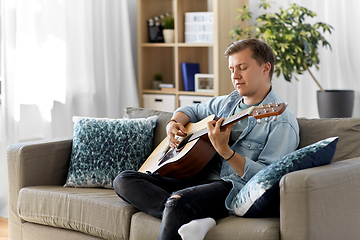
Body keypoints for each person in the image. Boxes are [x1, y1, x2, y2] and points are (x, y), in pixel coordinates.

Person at [113, 38, 299, 240]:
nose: (235, 76)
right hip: (194, 176)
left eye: (242, 68)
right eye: (231, 69)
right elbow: (191, 110)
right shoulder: (229, 102)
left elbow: (267, 178)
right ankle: (191, 217)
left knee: (178, 202)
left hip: (229, 186)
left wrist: (225, 152)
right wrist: (173, 123)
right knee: (124, 180)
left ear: (266, 68)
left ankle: (181, 209)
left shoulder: (280, 120)